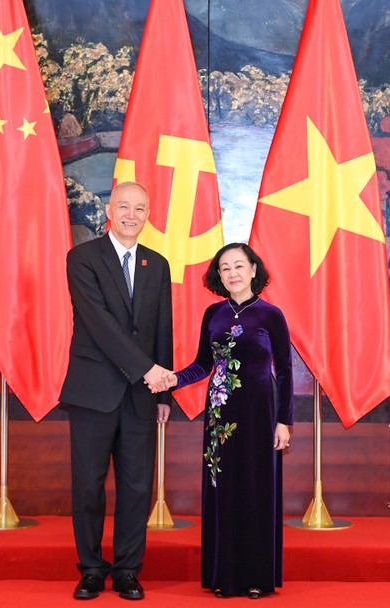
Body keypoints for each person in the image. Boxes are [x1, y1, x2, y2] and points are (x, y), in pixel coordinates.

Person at [154, 242, 293, 599]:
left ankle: (256, 578)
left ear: (253, 270)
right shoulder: (213, 314)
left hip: (261, 416)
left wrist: (284, 421)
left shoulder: (271, 315)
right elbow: (203, 365)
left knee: (256, 491)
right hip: (220, 417)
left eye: (238, 266)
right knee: (225, 492)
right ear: (219, 276)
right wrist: (173, 379)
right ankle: (225, 577)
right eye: (225, 268)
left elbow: (286, 370)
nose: (232, 273)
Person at [59, 181, 173, 601]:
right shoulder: (82, 258)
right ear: (110, 209)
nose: (131, 215)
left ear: (148, 214)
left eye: (140, 208)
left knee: (137, 486)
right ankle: (91, 568)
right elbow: (100, 324)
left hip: (142, 398)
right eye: (124, 206)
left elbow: (162, 330)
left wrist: (163, 394)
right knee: (88, 485)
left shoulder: (156, 265)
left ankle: (127, 569)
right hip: (93, 392)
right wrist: (149, 371)